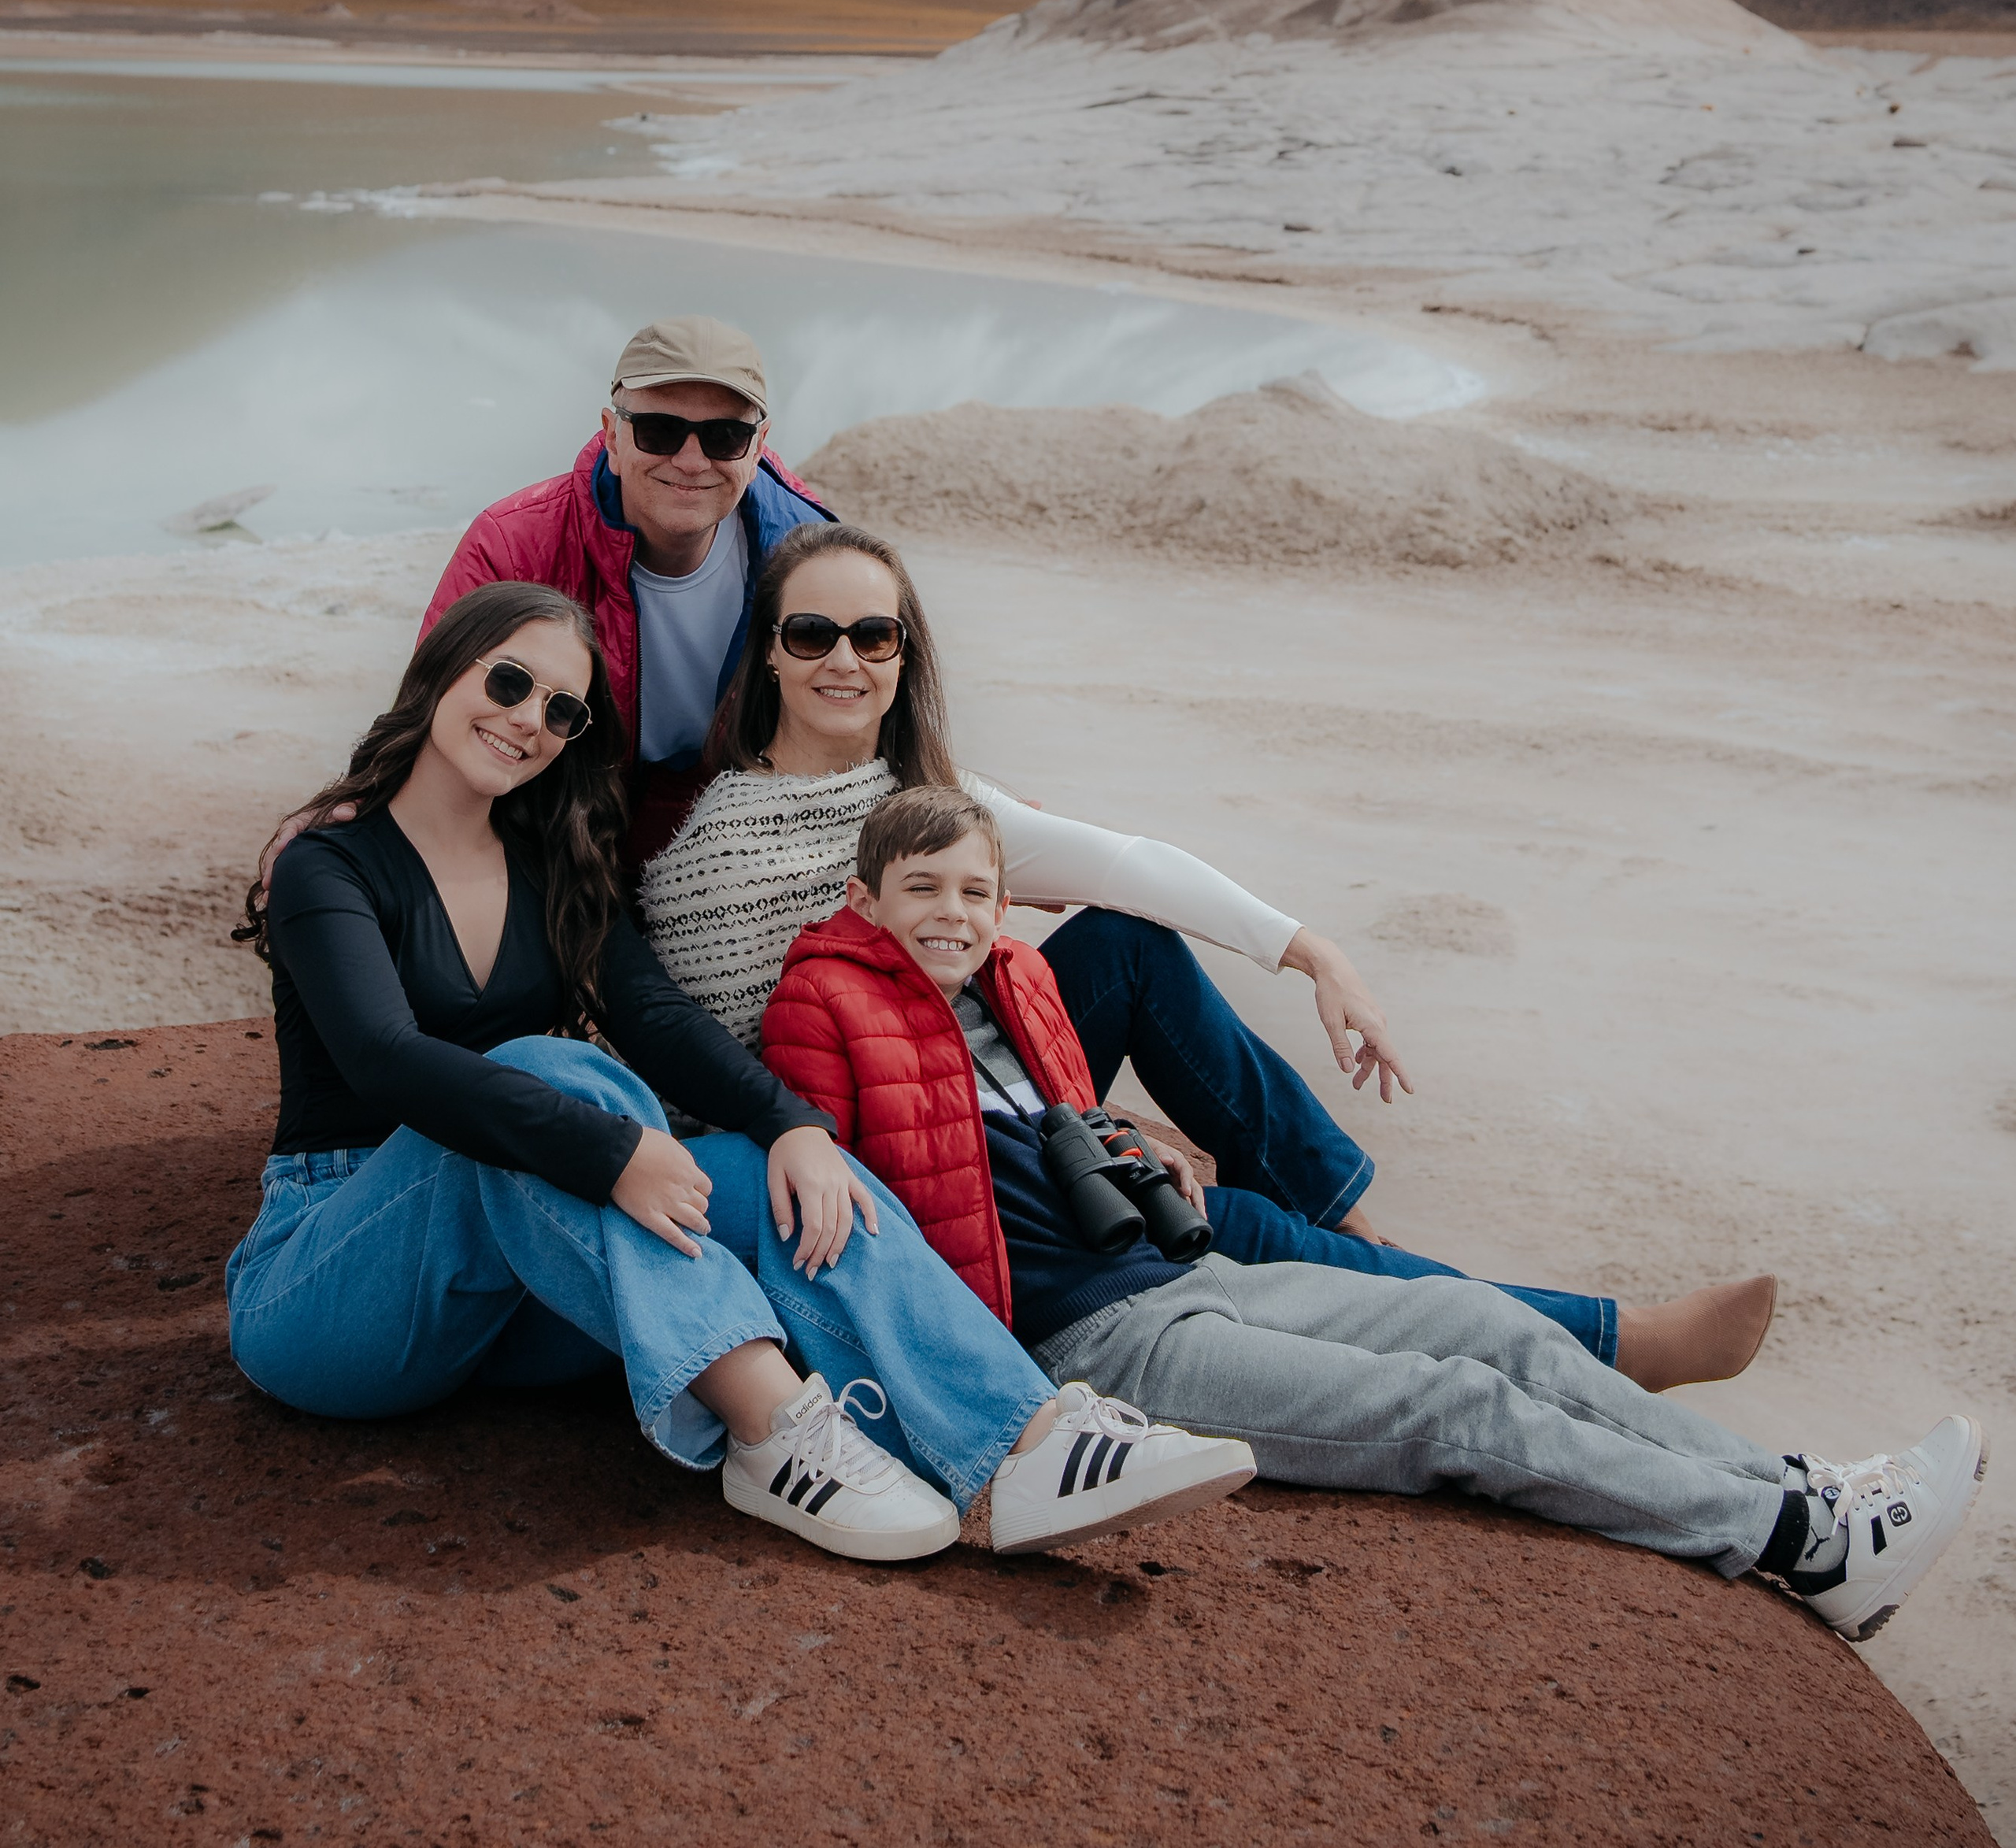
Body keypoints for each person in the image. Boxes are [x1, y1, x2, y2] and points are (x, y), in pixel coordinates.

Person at [762, 785, 1988, 1642]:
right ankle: (1793, 1539)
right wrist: (804, 1146)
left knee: (1481, 1325)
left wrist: (1127, 1139)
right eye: (922, 889)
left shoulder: (1018, 979)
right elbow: (855, 1180)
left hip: (1177, 1275)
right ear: (867, 900)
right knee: (1450, 1405)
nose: (956, 915)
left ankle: (1812, 1492)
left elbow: (1044, 1119)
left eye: (978, 892)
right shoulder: (822, 1002)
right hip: (1091, 1346)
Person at [226, 581, 1255, 1566]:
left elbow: (658, 1018)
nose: (529, 719)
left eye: (563, 709)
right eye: (507, 682)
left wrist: (793, 1126)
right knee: (545, 1075)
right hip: (333, 1289)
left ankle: (1031, 1446)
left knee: (792, 1181)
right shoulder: (332, 865)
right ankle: (777, 1430)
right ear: (441, 673)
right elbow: (388, 1060)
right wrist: (619, 1148)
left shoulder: (549, 863)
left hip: (514, 1300)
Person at [642, 521, 1777, 1392]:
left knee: (1130, 945)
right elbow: (723, 1056)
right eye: (813, 634)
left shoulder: (927, 803)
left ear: (903, 656)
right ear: (773, 658)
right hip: (880, 1136)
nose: (846, 659)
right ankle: (1583, 1331)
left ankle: (1370, 1241)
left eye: (874, 635)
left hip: (983, 1089)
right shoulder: (712, 852)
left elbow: (1126, 865)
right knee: (1228, 1216)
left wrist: (1310, 952)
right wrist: (1053, 1123)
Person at [420, 315, 834, 865]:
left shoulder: (819, 563)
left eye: (724, 436)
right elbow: (430, 716)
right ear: (612, 436)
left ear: (758, 448)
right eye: (659, 431)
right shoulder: (514, 544)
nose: (690, 461)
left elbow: (877, 721)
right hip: (550, 834)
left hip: (742, 851)